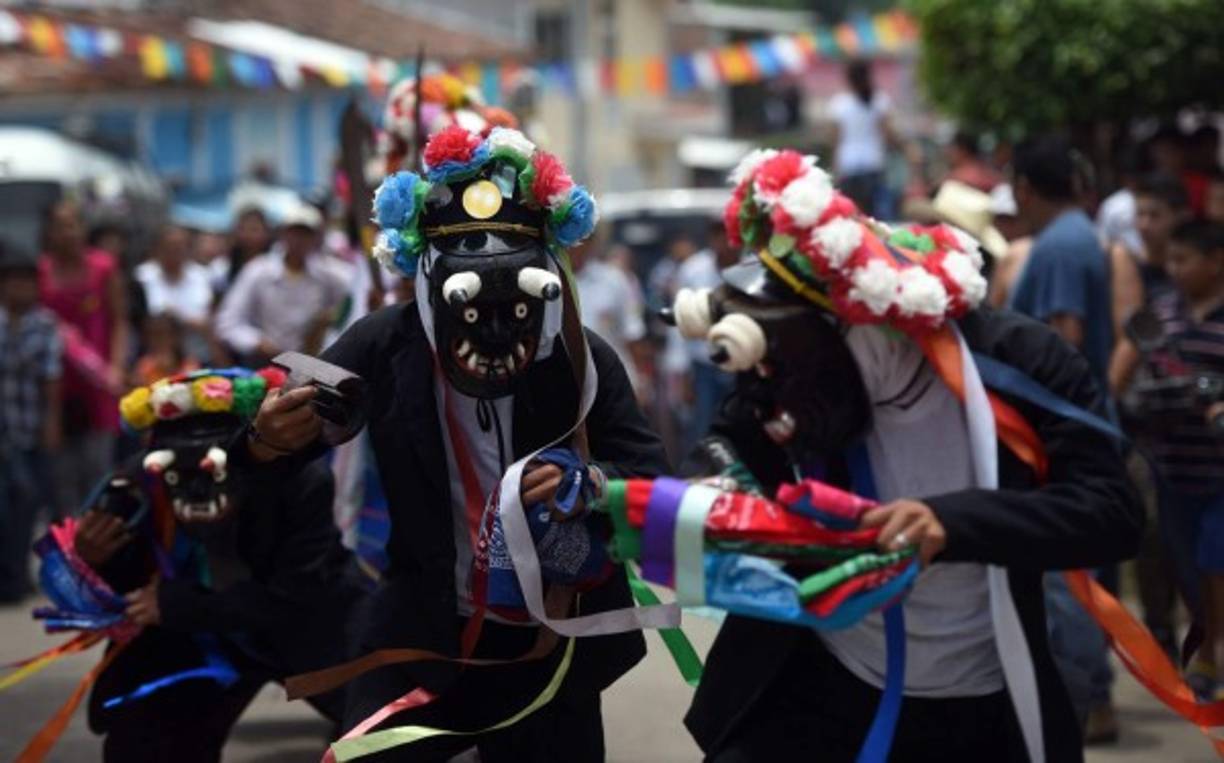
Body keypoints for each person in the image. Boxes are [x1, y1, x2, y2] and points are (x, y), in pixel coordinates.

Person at [672, 147, 1141, 763]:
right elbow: (728, 446)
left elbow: (1112, 512)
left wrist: (951, 523)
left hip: (984, 702)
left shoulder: (1020, 364)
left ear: (867, 319)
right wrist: (714, 485)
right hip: (821, 683)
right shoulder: (792, 379)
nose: (775, 380)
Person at [240, 125, 669, 762]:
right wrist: (264, 439)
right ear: (429, 280)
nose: (494, 328)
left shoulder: (580, 358)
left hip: (551, 641)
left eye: (513, 299)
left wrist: (592, 484)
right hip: (424, 633)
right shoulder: (385, 344)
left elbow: (651, 476)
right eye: (472, 302)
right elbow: (290, 436)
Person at [74, 367, 367, 762]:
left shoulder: (301, 481)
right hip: (191, 639)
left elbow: (296, 596)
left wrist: (180, 605)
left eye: (208, 471)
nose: (196, 486)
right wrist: (101, 558)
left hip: (302, 628)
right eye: (180, 472)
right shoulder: (136, 485)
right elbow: (131, 590)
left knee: (390, 728)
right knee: (146, 746)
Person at [1007, 133, 1121, 741]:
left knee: (1063, 576)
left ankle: (1086, 698)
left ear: (1025, 189)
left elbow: (1063, 339)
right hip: (1076, 426)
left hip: (1059, 432)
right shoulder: (1080, 235)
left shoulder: (1057, 246)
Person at [1127, 221, 1224, 699]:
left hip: (1220, 472)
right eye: (1171, 259)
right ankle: (1205, 641)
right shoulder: (1160, 315)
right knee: (1186, 565)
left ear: (1216, 261)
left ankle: (1214, 652)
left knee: (1215, 557)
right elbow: (1132, 371)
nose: (1174, 269)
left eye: (1184, 259)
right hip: (1172, 468)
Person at [38, 199, 129, 519]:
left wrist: (116, 366)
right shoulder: (40, 271)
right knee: (61, 477)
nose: (68, 232)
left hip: (98, 383)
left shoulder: (103, 267)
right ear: (49, 231)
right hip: (54, 387)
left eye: (74, 224)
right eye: (60, 226)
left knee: (97, 469)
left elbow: (119, 321)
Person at [215, 203, 351, 366]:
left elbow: (354, 292)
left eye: (305, 234)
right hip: (263, 364)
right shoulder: (258, 271)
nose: (299, 240)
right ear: (283, 234)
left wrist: (329, 323)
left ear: (316, 238)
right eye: (294, 232)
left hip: (311, 363)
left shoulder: (327, 274)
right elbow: (228, 322)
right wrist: (257, 342)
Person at [0, 251, 62, 603]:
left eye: (26, 282)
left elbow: (51, 378)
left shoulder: (45, 324)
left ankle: (16, 575)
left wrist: (51, 425)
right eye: (14, 281)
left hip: (29, 426)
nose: (20, 288)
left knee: (25, 503)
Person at [1108, 173, 1191, 396]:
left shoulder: (1193, 273)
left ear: (1182, 216)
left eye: (1155, 215)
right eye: (1140, 214)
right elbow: (1127, 339)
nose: (1144, 225)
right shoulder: (1127, 264)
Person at [573, 236, 649, 399]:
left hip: (610, 379)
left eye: (580, 240)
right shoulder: (549, 280)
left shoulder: (614, 279)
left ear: (591, 243)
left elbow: (632, 333)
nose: (573, 247)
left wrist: (639, 380)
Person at [135, 226, 220, 364]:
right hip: (153, 359)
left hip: (198, 356)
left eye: (180, 246)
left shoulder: (203, 276)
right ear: (157, 248)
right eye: (169, 246)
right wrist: (187, 321)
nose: (175, 251)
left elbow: (210, 319)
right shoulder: (142, 277)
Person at [827, 59, 895, 217]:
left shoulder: (839, 104)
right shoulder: (879, 100)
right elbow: (888, 134)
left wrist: (834, 167)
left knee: (852, 213)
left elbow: (835, 140)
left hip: (848, 164)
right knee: (873, 214)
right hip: (873, 162)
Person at [131, 313, 200, 387]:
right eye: (153, 335)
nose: (158, 340)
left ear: (175, 337)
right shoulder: (144, 365)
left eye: (163, 334)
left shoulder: (189, 365)